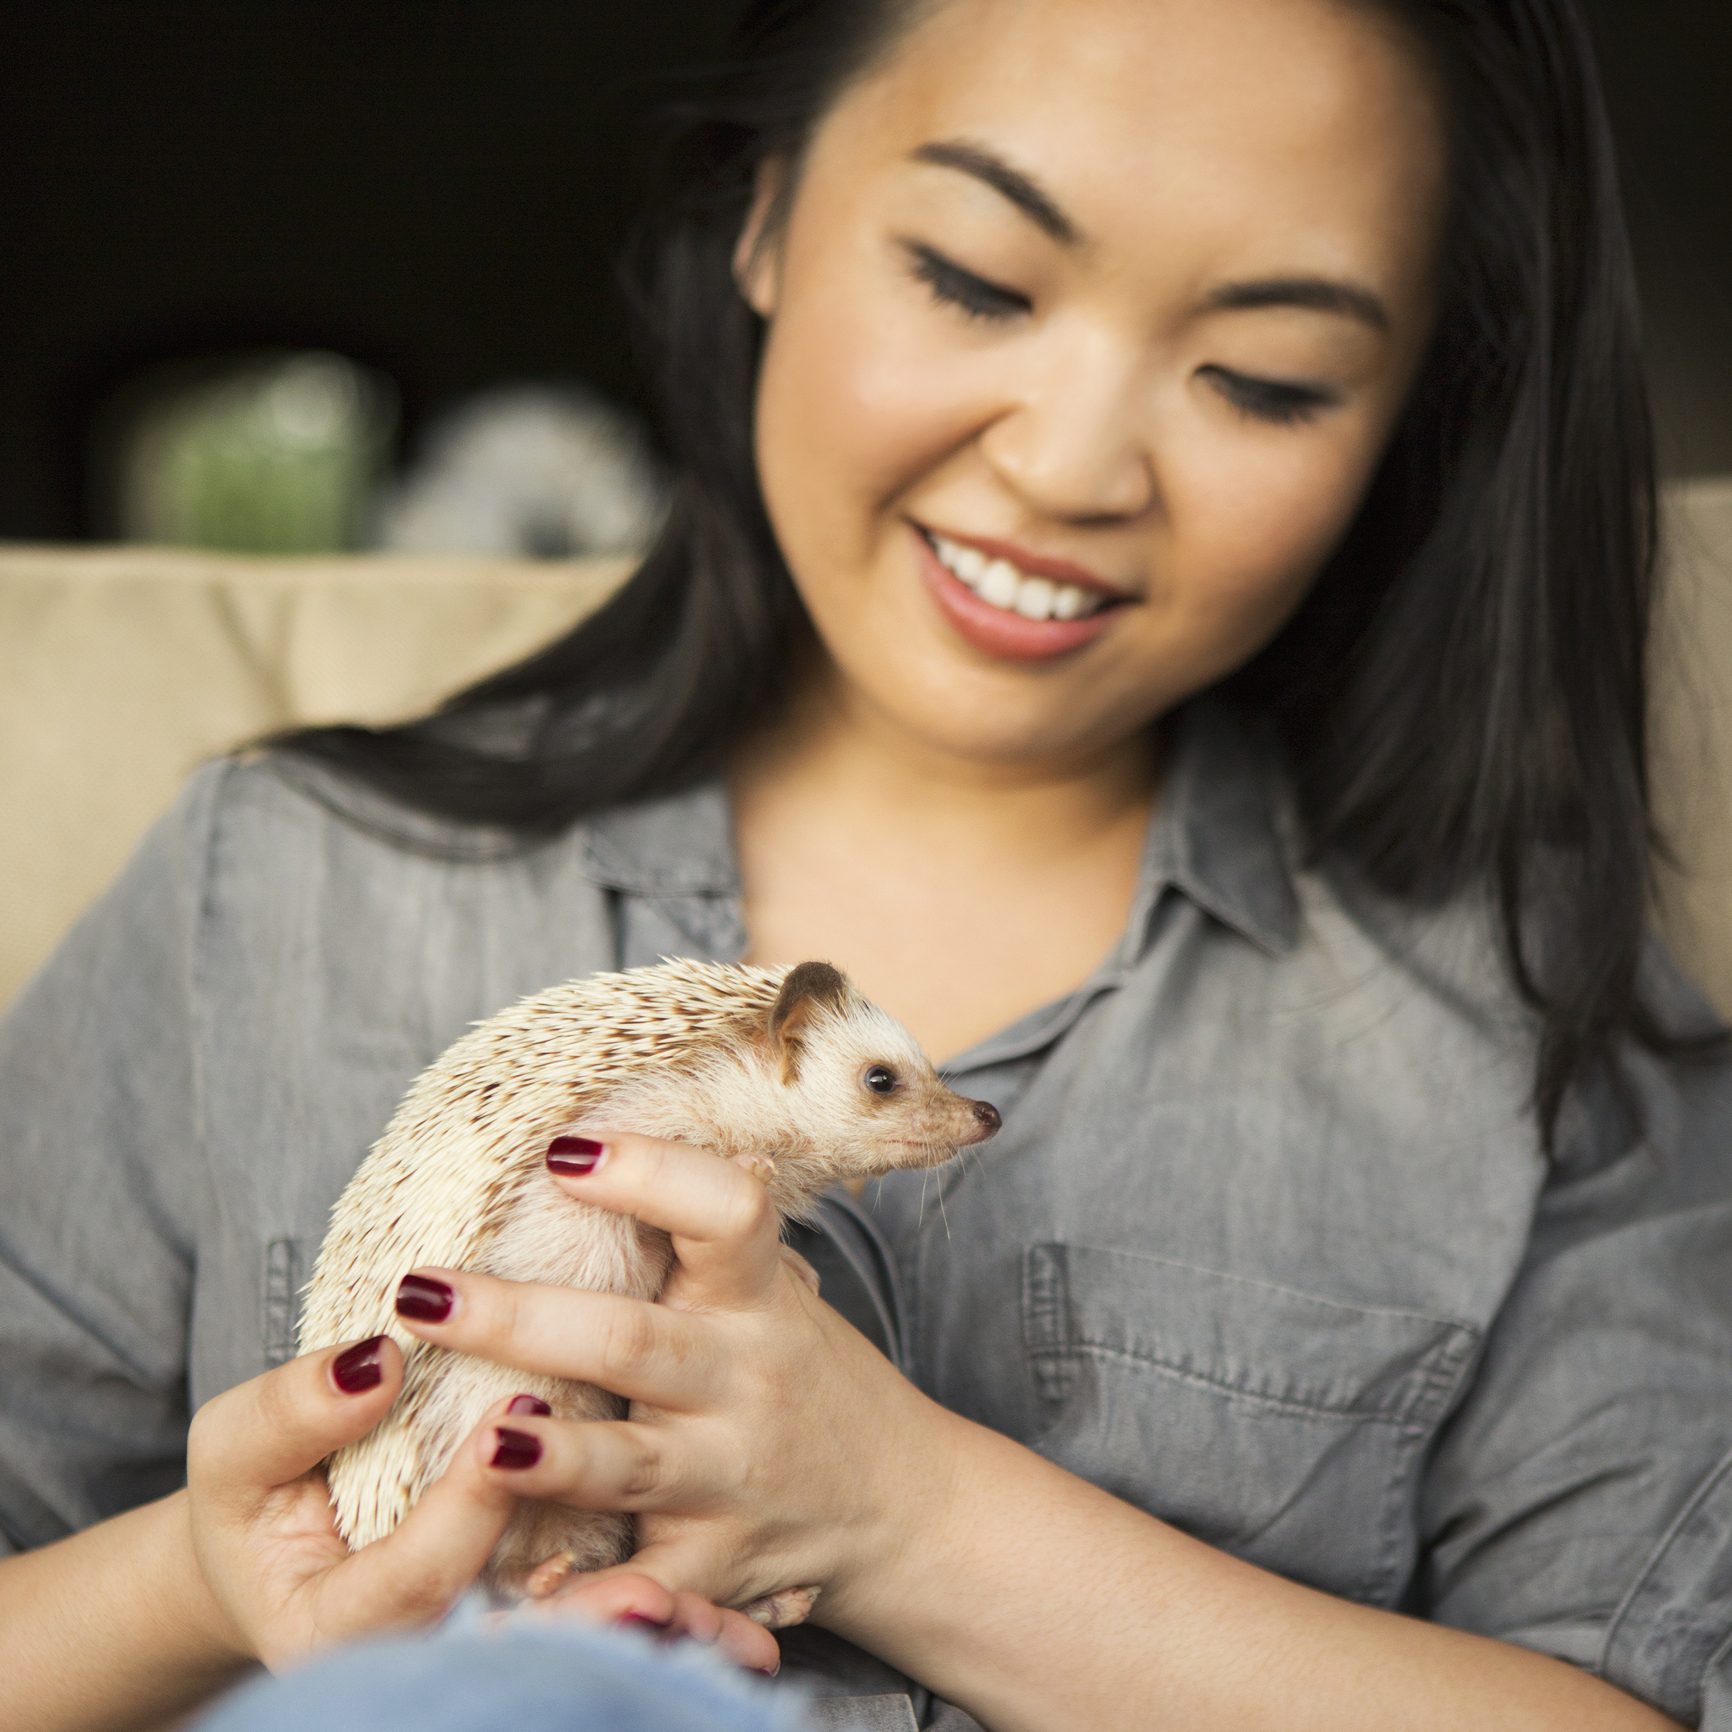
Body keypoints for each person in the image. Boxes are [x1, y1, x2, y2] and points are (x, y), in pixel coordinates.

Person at [3, 0, 1731, 1728]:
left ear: (1417, 410)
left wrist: (915, 1514)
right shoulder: (272, 889)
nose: (1066, 467)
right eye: (977, 280)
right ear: (763, 215)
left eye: (1266, 377)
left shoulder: (1534, 1020)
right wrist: (201, 1584)